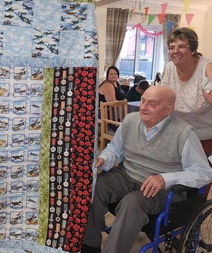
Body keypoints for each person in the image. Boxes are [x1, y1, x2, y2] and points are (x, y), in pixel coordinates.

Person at [81, 85, 212, 253]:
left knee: (132, 203)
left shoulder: (183, 133)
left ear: (168, 109)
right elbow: (115, 150)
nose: (143, 107)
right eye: (143, 101)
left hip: (162, 190)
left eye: (152, 104)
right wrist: (103, 159)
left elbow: (204, 172)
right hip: (127, 175)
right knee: (94, 185)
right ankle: (89, 246)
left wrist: (166, 179)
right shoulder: (130, 121)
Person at [162, 27, 212, 156]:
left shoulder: (207, 68)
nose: (175, 51)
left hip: (203, 137)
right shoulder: (169, 68)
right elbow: (163, 99)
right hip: (175, 132)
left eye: (181, 46)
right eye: (172, 47)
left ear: (193, 49)